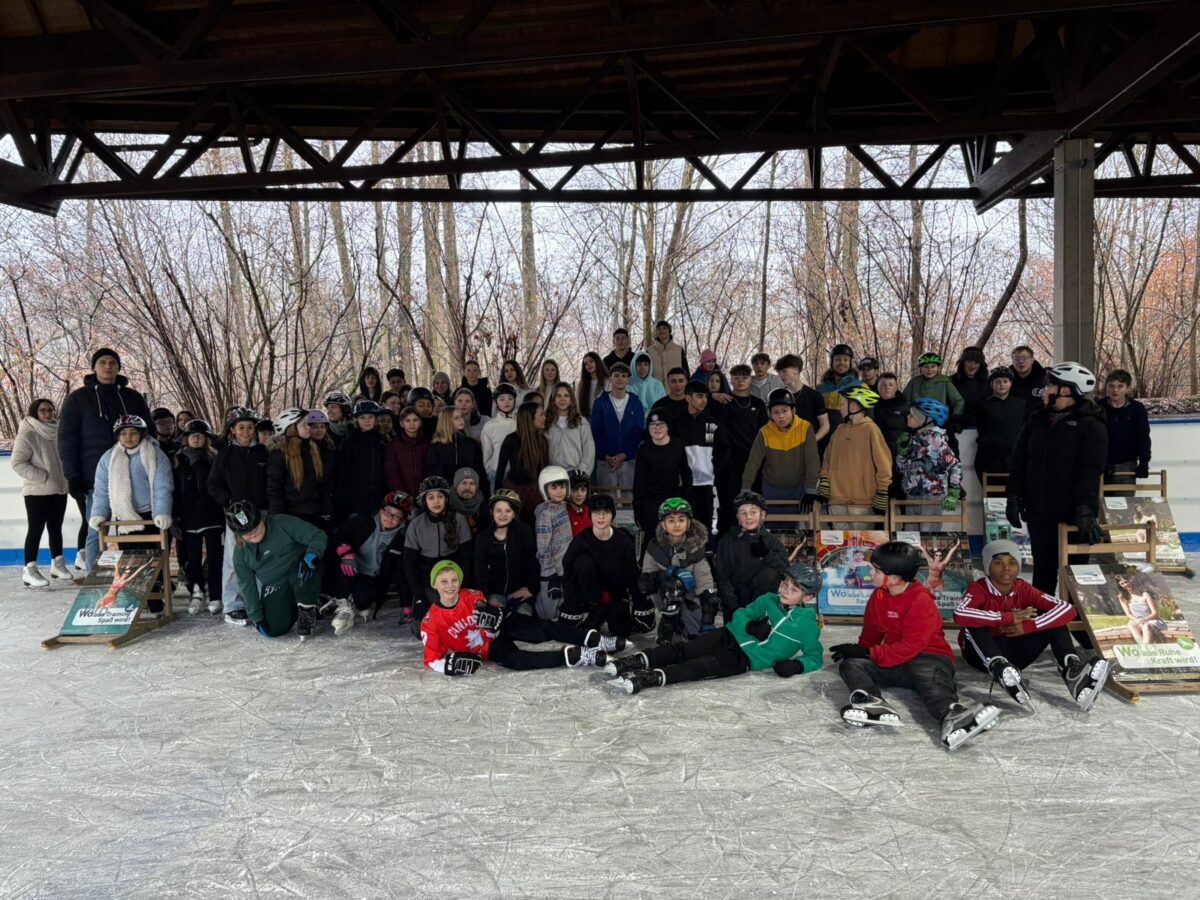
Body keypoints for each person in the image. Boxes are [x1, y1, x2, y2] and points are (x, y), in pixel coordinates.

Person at [830, 541, 1000, 751]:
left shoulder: (920, 600)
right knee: (851, 665)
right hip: (896, 663)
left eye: (875, 570)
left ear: (893, 578)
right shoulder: (879, 596)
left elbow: (911, 647)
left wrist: (869, 651)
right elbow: (871, 635)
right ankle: (871, 702)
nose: (869, 573)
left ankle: (954, 716)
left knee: (931, 682)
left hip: (928, 658)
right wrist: (860, 652)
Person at [605, 561, 824, 694]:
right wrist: (748, 625)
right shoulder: (768, 600)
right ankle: (635, 661)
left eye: (793, 589)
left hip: (746, 659)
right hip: (729, 635)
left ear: (809, 597)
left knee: (700, 667)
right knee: (686, 650)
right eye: (785, 583)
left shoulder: (806, 626)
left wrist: (797, 665)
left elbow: (815, 656)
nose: (785, 590)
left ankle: (649, 677)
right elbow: (741, 613)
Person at [954, 540, 1109, 712]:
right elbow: (960, 614)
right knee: (973, 621)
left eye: (1012, 563)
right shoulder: (977, 588)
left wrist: (1029, 626)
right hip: (980, 656)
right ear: (987, 567)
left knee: (1053, 619)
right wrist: (1005, 618)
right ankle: (999, 668)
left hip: (1015, 655)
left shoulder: (1023, 588)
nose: (1006, 568)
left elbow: (1067, 609)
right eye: (998, 563)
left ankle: (1073, 672)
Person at [1006, 362, 1107, 595]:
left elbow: (1090, 471)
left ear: (1068, 390)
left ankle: (1076, 622)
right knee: (1043, 568)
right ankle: (1043, 621)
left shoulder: (1091, 424)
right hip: (1039, 509)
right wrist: (1013, 496)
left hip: (1071, 511)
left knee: (1076, 572)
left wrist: (1085, 509)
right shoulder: (1035, 420)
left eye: (1051, 384)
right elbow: (1019, 460)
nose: (1045, 389)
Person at [420, 559, 621, 676]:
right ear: (434, 585)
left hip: (503, 628)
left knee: (544, 628)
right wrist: (448, 666)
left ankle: (597, 640)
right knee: (517, 661)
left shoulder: (472, 595)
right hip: (489, 649)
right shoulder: (431, 621)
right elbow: (431, 659)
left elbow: (490, 620)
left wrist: (496, 618)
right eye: (443, 581)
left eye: (454, 580)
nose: (450, 585)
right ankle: (577, 655)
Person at [58, 348, 153, 573]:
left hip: (134, 478)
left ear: (118, 367)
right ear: (94, 367)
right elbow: (66, 439)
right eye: (103, 362)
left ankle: (137, 579)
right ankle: (95, 581)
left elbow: (149, 434)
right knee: (96, 529)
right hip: (95, 479)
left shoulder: (132, 397)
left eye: (112, 362)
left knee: (133, 531)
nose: (108, 366)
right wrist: (73, 475)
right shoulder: (78, 399)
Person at [88, 415, 174, 609]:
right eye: (124, 433)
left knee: (154, 558)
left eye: (133, 433)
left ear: (141, 434)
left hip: (151, 516)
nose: (128, 437)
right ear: (118, 436)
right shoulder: (108, 458)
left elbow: (163, 485)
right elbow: (102, 490)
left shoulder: (155, 454)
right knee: (131, 561)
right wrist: (99, 513)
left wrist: (162, 511)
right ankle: (136, 598)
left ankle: (155, 598)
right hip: (125, 518)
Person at [226, 500, 327, 638]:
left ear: (261, 519)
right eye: (247, 533)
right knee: (274, 629)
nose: (253, 534)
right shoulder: (241, 553)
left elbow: (317, 535)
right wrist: (257, 617)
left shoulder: (282, 523)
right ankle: (295, 607)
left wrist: (311, 556)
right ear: (238, 535)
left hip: (300, 571)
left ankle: (307, 609)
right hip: (277, 585)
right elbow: (246, 586)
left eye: (255, 528)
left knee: (302, 573)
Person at [559, 494, 656, 637]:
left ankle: (611, 611)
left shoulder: (623, 540)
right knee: (583, 562)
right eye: (597, 513)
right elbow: (569, 574)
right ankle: (596, 611)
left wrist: (639, 602)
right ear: (590, 515)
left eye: (606, 512)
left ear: (612, 515)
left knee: (621, 631)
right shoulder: (580, 540)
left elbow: (632, 573)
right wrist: (571, 605)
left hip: (615, 592)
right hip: (590, 593)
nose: (601, 517)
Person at [208, 406, 269, 626]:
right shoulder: (225, 455)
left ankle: (261, 600)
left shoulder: (263, 453)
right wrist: (230, 502)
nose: (246, 431)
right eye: (241, 427)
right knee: (235, 559)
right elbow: (213, 486)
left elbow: (270, 481)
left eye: (250, 427)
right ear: (232, 430)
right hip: (236, 515)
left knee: (262, 556)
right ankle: (233, 605)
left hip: (261, 513)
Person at [329, 490, 413, 633]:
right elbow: (340, 536)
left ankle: (353, 600)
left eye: (396, 516)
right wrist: (346, 553)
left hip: (371, 576)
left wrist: (406, 605)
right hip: (350, 565)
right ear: (381, 510)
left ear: (403, 519)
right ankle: (343, 603)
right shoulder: (363, 521)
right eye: (387, 512)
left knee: (364, 601)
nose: (389, 518)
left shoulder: (403, 538)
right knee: (343, 574)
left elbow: (401, 572)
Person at [640, 498, 718, 641]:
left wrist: (708, 620)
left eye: (681, 520)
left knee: (695, 637)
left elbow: (705, 586)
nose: (677, 525)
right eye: (671, 520)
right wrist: (668, 573)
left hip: (690, 598)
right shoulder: (654, 547)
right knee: (673, 584)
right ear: (663, 525)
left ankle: (684, 624)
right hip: (665, 596)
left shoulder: (696, 549)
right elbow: (646, 583)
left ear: (688, 524)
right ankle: (668, 622)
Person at [13, 398, 72, 587]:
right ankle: (29, 569)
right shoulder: (28, 433)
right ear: (34, 413)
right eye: (43, 411)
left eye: (50, 410)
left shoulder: (58, 431)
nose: (47, 414)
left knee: (56, 527)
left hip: (59, 488)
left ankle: (57, 563)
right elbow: (18, 462)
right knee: (36, 528)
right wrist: (43, 476)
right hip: (37, 490)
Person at [403, 476, 474, 631]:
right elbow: (409, 563)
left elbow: (468, 557)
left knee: (460, 625)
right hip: (428, 582)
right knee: (419, 629)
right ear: (424, 501)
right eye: (431, 497)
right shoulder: (416, 524)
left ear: (446, 498)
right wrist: (419, 595)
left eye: (440, 496)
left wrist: (463, 587)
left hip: (454, 581)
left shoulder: (459, 520)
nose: (436, 501)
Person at [817, 385, 891, 526]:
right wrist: (825, 479)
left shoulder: (871, 429)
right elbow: (827, 458)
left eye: (843, 403)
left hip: (861, 502)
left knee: (861, 545)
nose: (840, 407)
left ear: (855, 405)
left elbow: (884, 463)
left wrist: (882, 489)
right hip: (836, 499)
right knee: (839, 545)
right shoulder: (839, 429)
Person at [708, 363, 768, 535]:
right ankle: (726, 545)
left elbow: (764, 434)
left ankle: (755, 542)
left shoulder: (758, 404)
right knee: (728, 505)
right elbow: (704, 414)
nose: (740, 381)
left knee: (753, 504)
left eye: (744, 377)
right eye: (736, 377)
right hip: (727, 464)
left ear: (751, 379)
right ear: (731, 380)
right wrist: (713, 396)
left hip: (753, 463)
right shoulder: (721, 402)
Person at [172, 419, 224, 616]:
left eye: (200, 436)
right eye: (192, 435)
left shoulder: (214, 460)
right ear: (186, 439)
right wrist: (174, 516)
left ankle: (216, 594)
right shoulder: (178, 461)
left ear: (206, 439)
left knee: (214, 558)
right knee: (192, 559)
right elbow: (174, 491)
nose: (196, 439)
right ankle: (197, 592)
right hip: (188, 518)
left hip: (212, 517)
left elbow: (219, 487)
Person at [741, 388, 820, 516]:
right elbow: (753, 462)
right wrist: (746, 487)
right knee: (773, 526)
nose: (781, 416)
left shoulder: (805, 428)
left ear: (793, 410)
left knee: (795, 528)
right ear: (770, 414)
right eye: (776, 412)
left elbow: (812, 460)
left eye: (785, 411)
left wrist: (810, 489)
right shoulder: (764, 432)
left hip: (798, 487)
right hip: (772, 487)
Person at [714, 489, 789, 622]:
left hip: (762, 606)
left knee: (770, 574)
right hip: (736, 604)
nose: (748, 517)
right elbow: (722, 576)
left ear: (763, 515)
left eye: (753, 512)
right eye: (743, 513)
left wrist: (767, 555)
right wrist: (734, 607)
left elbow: (785, 571)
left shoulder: (771, 542)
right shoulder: (727, 541)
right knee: (736, 639)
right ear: (737, 516)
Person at [896, 397, 963, 528]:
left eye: (913, 415)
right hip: (912, 493)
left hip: (932, 495)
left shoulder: (936, 439)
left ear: (924, 418)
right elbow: (902, 469)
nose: (908, 417)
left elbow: (955, 464)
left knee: (929, 535)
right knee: (911, 536)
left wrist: (954, 491)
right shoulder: (914, 437)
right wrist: (902, 453)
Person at [473, 489, 540, 616]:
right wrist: (484, 597)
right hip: (494, 593)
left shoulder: (524, 532)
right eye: (498, 510)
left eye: (508, 511)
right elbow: (480, 570)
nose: (503, 514)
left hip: (520, 590)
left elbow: (532, 561)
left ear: (514, 513)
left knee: (522, 620)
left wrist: (532, 588)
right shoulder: (483, 538)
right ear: (491, 512)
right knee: (496, 621)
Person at [266, 407, 334, 531]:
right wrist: (279, 518)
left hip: (314, 513)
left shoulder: (312, 449)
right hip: (292, 515)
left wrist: (327, 510)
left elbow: (321, 484)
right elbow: (274, 489)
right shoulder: (278, 454)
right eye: (304, 425)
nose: (309, 428)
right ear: (291, 429)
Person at [675, 381, 728, 536]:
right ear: (688, 398)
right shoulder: (677, 423)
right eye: (699, 396)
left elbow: (724, 448)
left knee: (704, 523)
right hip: (683, 483)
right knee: (683, 521)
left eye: (705, 397)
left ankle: (705, 555)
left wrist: (713, 467)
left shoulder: (713, 423)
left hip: (706, 482)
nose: (703, 400)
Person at [632, 410, 693, 537]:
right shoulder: (644, 450)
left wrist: (686, 500)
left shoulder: (679, 445)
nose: (657, 428)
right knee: (652, 538)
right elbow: (638, 483)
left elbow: (687, 475)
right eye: (653, 424)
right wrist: (638, 510)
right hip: (650, 502)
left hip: (674, 500)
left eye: (661, 424)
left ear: (668, 427)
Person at [590, 363, 644, 493]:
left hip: (629, 460)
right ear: (610, 378)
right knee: (606, 502)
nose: (620, 378)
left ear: (628, 379)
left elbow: (638, 431)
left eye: (624, 376)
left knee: (629, 501)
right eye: (616, 375)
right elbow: (596, 432)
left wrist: (625, 454)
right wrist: (606, 455)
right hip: (606, 461)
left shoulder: (635, 402)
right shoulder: (600, 403)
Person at [495, 400, 550, 524]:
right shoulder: (511, 440)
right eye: (541, 415)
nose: (544, 418)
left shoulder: (543, 441)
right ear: (529, 418)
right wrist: (497, 498)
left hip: (535, 493)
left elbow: (544, 470)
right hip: (514, 491)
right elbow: (500, 469)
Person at [334, 400, 388, 523]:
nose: (367, 420)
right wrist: (342, 502)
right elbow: (341, 474)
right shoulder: (349, 442)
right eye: (362, 417)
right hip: (355, 501)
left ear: (376, 419)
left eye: (370, 417)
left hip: (378, 501)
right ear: (356, 420)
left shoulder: (382, 441)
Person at [1097, 369, 1152, 490]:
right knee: (1098, 505)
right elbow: (1092, 439)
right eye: (1111, 386)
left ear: (1128, 388)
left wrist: (1144, 462)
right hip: (1100, 465)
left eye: (1120, 386)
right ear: (1106, 387)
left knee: (1124, 505)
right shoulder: (1098, 408)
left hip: (1127, 465)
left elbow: (1143, 437)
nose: (1115, 390)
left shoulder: (1137, 409)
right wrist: (1100, 460)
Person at [973, 366, 1026, 485]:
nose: (1002, 385)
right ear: (991, 384)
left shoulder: (1020, 404)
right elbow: (981, 428)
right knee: (992, 495)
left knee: (1014, 492)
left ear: (1011, 383)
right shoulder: (983, 405)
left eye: (1005, 381)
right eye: (997, 382)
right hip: (989, 456)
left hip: (1013, 456)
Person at [534, 465, 573, 619]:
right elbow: (543, 546)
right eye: (554, 487)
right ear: (545, 489)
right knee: (549, 613)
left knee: (562, 611)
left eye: (562, 486)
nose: (559, 490)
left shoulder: (564, 507)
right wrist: (550, 574)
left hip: (565, 568)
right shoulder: (545, 513)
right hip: (551, 571)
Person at [425, 408, 488, 496]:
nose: (461, 420)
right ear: (446, 421)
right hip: (445, 494)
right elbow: (432, 473)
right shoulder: (436, 445)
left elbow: (480, 472)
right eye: (456, 418)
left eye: (461, 417)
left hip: (469, 493)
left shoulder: (471, 444)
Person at [774, 353, 830, 443]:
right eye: (779, 372)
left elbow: (825, 425)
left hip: (809, 450)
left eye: (784, 371)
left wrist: (810, 442)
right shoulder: (778, 396)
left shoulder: (814, 396)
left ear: (796, 369)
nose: (780, 375)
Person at [546, 382, 596, 474]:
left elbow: (589, 449)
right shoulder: (546, 423)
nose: (562, 399)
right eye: (558, 396)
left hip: (575, 473)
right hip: (551, 474)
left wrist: (582, 471)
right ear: (553, 399)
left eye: (566, 396)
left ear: (572, 399)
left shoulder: (581, 422)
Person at [903, 352, 965, 424]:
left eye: (933, 366)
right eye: (926, 367)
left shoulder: (944, 381)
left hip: (939, 420)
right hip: (917, 420)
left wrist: (956, 416)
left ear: (938, 367)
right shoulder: (914, 382)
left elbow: (958, 401)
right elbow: (904, 400)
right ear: (921, 368)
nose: (930, 370)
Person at [385, 406, 431, 497]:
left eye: (415, 420)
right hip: (401, 495)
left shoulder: (427, 444)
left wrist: (425, 492)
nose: (412, 424)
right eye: (407, 420)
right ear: (402, 423)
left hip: (424, 495)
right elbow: (392, 473)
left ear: (420, 422)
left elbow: (430, 469)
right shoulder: (393, 445)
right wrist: (403, 494)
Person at [817, 343, 858, 438]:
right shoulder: (821, 388)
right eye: (838, 359)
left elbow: (868, 417)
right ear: (832, 362)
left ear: (850, 363)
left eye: (846, 360)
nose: (842, 363)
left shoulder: (859, 386)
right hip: (825, 439)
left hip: (849, 437)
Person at [480, 383, 518, 485]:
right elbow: (487, 452)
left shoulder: (520, 422)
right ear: (496, 402)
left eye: (510, 398)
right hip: (496, 472)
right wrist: (490, 471)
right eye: (502, 399)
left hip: (517, 472)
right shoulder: (490, 426)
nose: (506, 402)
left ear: (515, 401)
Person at [1117, 574, 1165, 645]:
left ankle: (1145, 650)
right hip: (1138, 621)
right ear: (1120, 586)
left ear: (1130, 580)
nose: (1125, 584)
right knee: (1131, 625)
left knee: (1146, 625)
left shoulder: (1144, 594)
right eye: (1122, 583)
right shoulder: (1122, 597)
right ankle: (1144, 649)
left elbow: (1155, 613)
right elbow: (1128, 614)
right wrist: (1136, 620)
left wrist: (1145, 619)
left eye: (1126, 581)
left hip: (1152, 620)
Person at [951, 347, 990, 429]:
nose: (972, 366)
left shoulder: (988, 383)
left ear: (981, 365)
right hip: (957, 429)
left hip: (981, 429)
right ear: (963, 362)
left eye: (976, 362)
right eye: (969, 362)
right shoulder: (951, 381)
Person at [646, 319, 689, 386]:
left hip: (676, 390)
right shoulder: (649, 351)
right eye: (659, 329)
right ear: (656, 332)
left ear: (669, 330)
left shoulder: (679, 350)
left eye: (664, 328)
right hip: (656, 391)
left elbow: (686, 371)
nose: (662, 331)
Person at [627, 351, 666, 422]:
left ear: (650, 366)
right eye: (639, 364)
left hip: (654, 422)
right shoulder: (627, 383)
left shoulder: (657, 384)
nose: (643, 368)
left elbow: (662, 407)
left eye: (646, 365)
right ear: (634, 366)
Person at [1009, 345, 1046, 412]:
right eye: (1017, 359)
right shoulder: (1006, 381)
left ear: (1032, 360)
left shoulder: (1045, 380)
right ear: (1012, 361)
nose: (1021, 361)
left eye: (1024, 358)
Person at [449, 466, 485, 534]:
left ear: (476, 488)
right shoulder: (445, 505)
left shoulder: (483, 508)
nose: (468, 487)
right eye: (464, 483)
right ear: (456, 486)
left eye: (472, 484)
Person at [576, 352, 609, 418]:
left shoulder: (608, 381)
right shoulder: (581, 384)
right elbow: (577, 404)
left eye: (591, 361)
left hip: (605, 418)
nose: (589, 364)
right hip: (587, 419)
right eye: (586, 364)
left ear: (597, 362)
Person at [566, 468, 592, 535]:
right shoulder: (564, 514)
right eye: (574, 490)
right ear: (567, 491)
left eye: (583, 490)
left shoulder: (590, 510)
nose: (579, 494)